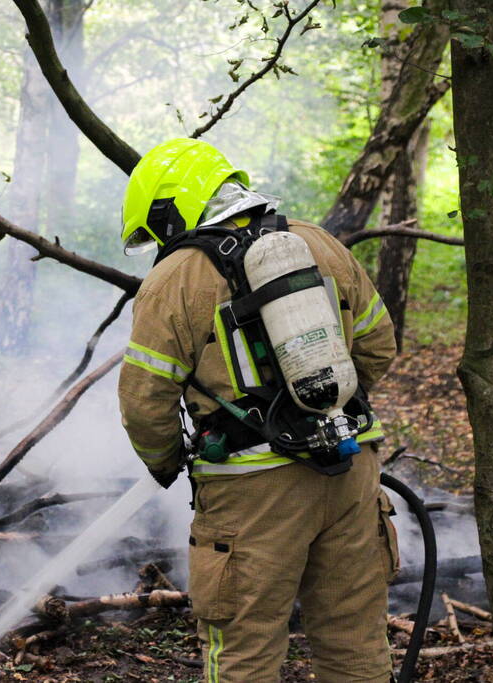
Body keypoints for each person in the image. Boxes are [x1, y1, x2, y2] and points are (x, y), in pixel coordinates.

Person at [117, 138, 399, 682]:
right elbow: (378, 344)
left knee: (246, 650)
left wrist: (167, 459)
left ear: (169, 208)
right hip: (350, 472)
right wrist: (325, 407)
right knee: (355, 643)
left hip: (252, 494)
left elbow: (142, 401)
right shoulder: (319, 245)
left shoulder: (175, 277)